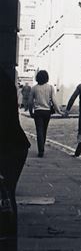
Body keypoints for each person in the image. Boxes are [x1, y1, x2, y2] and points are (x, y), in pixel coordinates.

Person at [0, 70, 30, 243]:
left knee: (5, 192)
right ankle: (9, 236)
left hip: (8, 146)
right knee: (7, 193)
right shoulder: (4, 79)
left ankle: (7, 236)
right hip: (14, 144)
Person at [28, 70, 62, 157]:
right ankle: (42, 147)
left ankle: (41, 150)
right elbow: (54, 100)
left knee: (39, 130)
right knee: (44, 130)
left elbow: (30, 102)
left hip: (38, 111)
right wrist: (59, 111)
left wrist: (30, 111)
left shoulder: (34, 88)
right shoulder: (50, 87)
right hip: (47, 112)